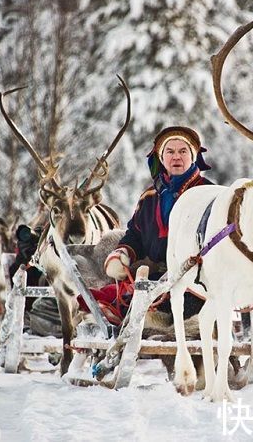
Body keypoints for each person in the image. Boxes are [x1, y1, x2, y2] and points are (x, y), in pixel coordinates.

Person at [79, 126, 213, 324]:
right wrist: (123, 253)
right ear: (161, 157)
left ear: (193, 156)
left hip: (196, 279)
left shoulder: (208, 193)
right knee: (109, 297)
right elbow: (135, 233)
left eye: (183, 151)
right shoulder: (149, 196)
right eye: (170, 151)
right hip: (154, 275)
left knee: (149, 307)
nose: (176, 157)